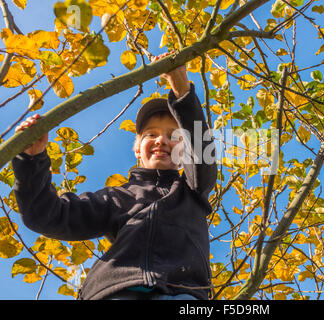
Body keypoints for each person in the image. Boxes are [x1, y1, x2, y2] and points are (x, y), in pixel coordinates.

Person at [11, 52, 217, 300]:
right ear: (137, 148)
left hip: (184, 293)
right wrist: (31, 159)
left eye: (174, 136)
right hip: (117, 291)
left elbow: (204, 157)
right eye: (151, 134)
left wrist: (181, 87)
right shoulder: (116, 198)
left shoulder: (192, 191)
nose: (162, 140)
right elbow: (46, 215)